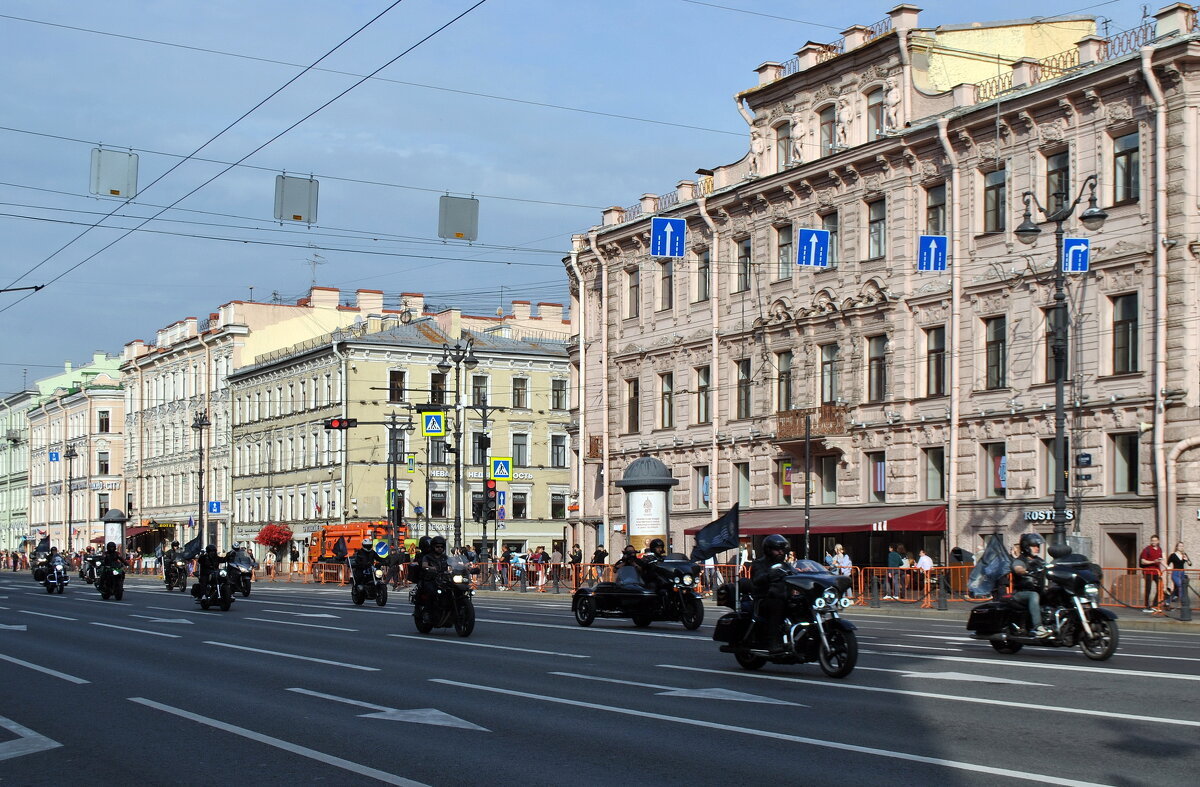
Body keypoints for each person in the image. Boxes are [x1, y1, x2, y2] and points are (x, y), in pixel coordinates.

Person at [750, 534, 792, 654]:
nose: (780, 552)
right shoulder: (759, 564)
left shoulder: (786, 565)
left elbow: (795, 573)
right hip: (764, 599)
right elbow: (757, 579)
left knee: (801, 603)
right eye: (777, 550)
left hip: (784, 597)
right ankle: (773, 642)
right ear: (768, 550)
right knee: (777, 605)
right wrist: (769, 575)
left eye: (782, 550)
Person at [1011, 533, 1050, 637]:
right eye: (1034, 546)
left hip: (1038, 590)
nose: (1037, 548)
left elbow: (1050, 568)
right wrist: (1023, 571)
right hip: (1021, 593)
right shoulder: (1020, 560)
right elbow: (1017, 568)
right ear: (1026, 547)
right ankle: (1038, 627)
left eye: (1038, 546)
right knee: (1033, 595)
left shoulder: (1040, 561)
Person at [1139, 534, 1165, 612]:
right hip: (1148, 571)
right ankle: (1146, 606)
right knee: (1148, 588)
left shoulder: (1159, 549)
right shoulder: (1147, 549)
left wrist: (1167, 567)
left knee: (1160, 586)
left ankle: (1154, 605)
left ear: (1158, 541)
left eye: (1155, 540)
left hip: (1157, 572)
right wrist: (1153, 561)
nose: (1153, 542)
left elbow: (1161, 560)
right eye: (1152, 540)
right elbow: (1143, 561)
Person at [1165, 542, 1191, 610]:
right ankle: (1182, 604)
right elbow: (1167, 563)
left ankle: (1167, 601)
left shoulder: (1184, 554)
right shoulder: (1173, 555)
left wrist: (1187, 559)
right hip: (1175, 573)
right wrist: (1168, 567)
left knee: (1177, 589)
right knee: (1180, 585)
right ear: (1177, 547)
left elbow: (1190, 564)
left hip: (1182, 573)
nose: (1181, 547)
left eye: (1182, 546)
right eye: (1180, 546)